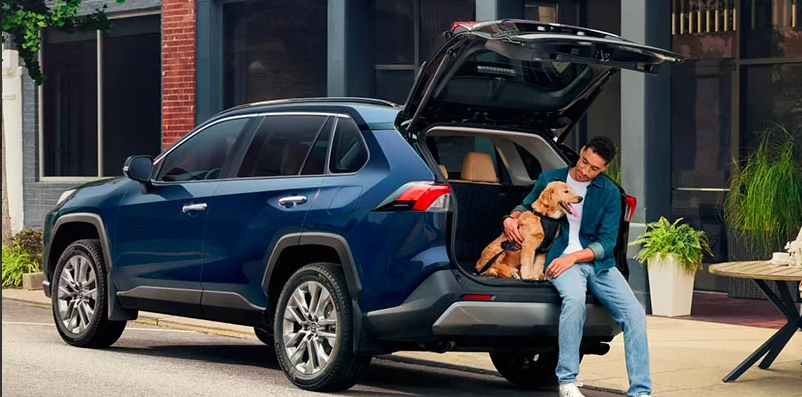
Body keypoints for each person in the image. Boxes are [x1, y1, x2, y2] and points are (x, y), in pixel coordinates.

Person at [503, 136, 651, 397]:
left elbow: (607, 243)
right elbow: (526, 205)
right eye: (584, 161)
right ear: (581, 152)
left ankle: (640, 391)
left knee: (635, 315)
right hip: (558, 258)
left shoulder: (608, 193)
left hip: (596, 263)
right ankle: (567, 381)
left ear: (604, 168)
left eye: (594, 168)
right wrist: (510, 220)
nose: (585, 170)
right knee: (574, 301)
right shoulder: (551, 178)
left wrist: (574, 257)